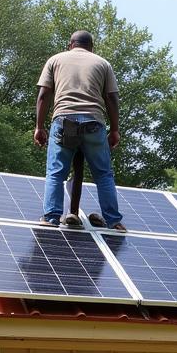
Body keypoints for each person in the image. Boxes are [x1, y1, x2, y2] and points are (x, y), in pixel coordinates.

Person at [34, 30, 125, 230]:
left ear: (70, 44)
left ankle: (51, 217)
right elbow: (112, 98)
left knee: (56, 173)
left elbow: (44, 94)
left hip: (64, 121)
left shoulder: (55, 60)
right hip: (94, 123)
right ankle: (113, 220)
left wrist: (39, 127)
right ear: (91, 47)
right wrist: (115, 129)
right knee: (103, 175)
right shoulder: (102, 63)